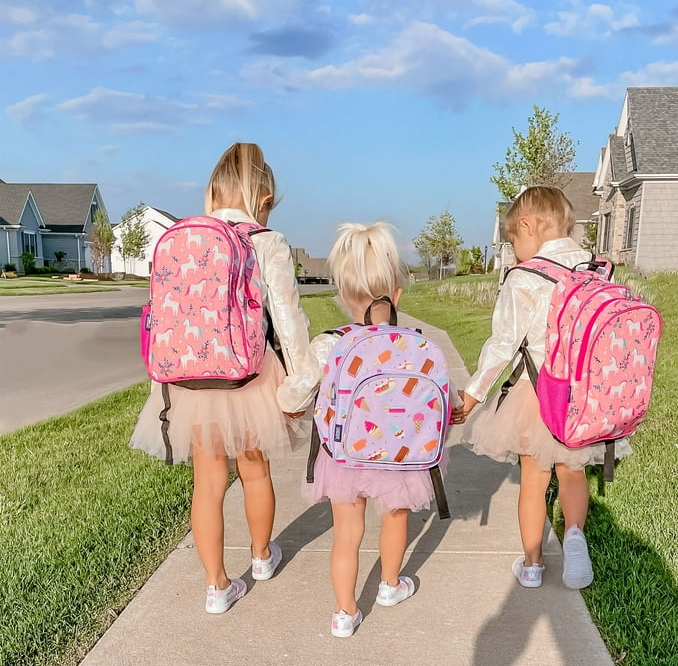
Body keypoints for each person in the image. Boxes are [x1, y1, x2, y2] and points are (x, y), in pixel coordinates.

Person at [130, 142, 312, 614]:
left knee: (207, 483)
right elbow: (289, 322)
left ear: (213, 191)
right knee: (255, 470)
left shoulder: (183, 236)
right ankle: (262, 557)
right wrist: (300, 383)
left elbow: (163, 320)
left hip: (189, 381)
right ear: (264, 198)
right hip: (247, 376)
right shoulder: (267, 241)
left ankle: (216, 586)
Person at [281, 222, 458, 638]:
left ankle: (344, 613)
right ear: (397, 292)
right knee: (396, 519)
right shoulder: (416, 343)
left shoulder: (330, 344)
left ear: (342, 295)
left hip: (345, 455)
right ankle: (391, 585)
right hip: (401, 456)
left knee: (347, 532)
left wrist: (291, 405)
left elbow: (293, 398)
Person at [455, 186, 628, 591]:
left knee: (534, 477)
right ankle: (574, 538)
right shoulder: (598, 268)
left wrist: (473, 393)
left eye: (514, 238)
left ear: (529, 226)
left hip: (538, 392)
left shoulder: (525, 276)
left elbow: (503, 343)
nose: (514, 248)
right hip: (586, 393)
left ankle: (531, 565)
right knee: (572, 471)